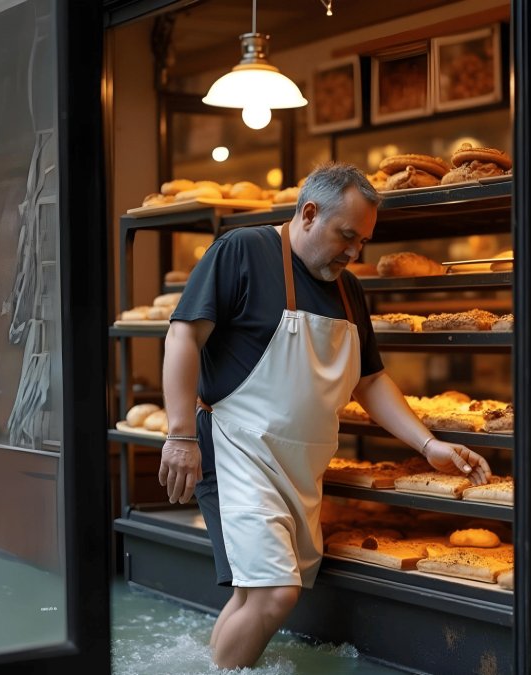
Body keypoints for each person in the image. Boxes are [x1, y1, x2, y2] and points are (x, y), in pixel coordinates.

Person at [158, 162, 492, 669]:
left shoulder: (348, 290)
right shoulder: (243, 251)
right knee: (274, 594)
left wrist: (428, 445)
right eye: (346, 236)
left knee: (253, 595)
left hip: (301, 469)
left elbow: (370, 381)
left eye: (364, 242)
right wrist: (180, 435)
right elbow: (183, 335)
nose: (354, 252)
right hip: (236, 450)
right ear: (309, 213)